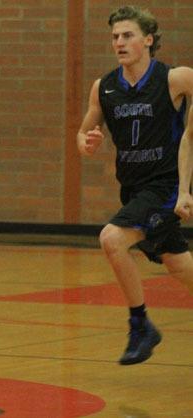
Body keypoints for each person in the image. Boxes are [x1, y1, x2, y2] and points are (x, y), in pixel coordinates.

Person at [77, 5, 193, 365]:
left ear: (148, 40)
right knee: (178, 265)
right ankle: (142, 325)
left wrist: (187, 189)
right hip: (133, 189)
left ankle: (140, 324)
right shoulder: (105, 87)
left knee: (111, 238)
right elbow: (83, 133)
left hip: (165, 187)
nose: (119, 43)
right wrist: (87, 142)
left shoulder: (174, 78)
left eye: (127, 35)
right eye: (114, 37)